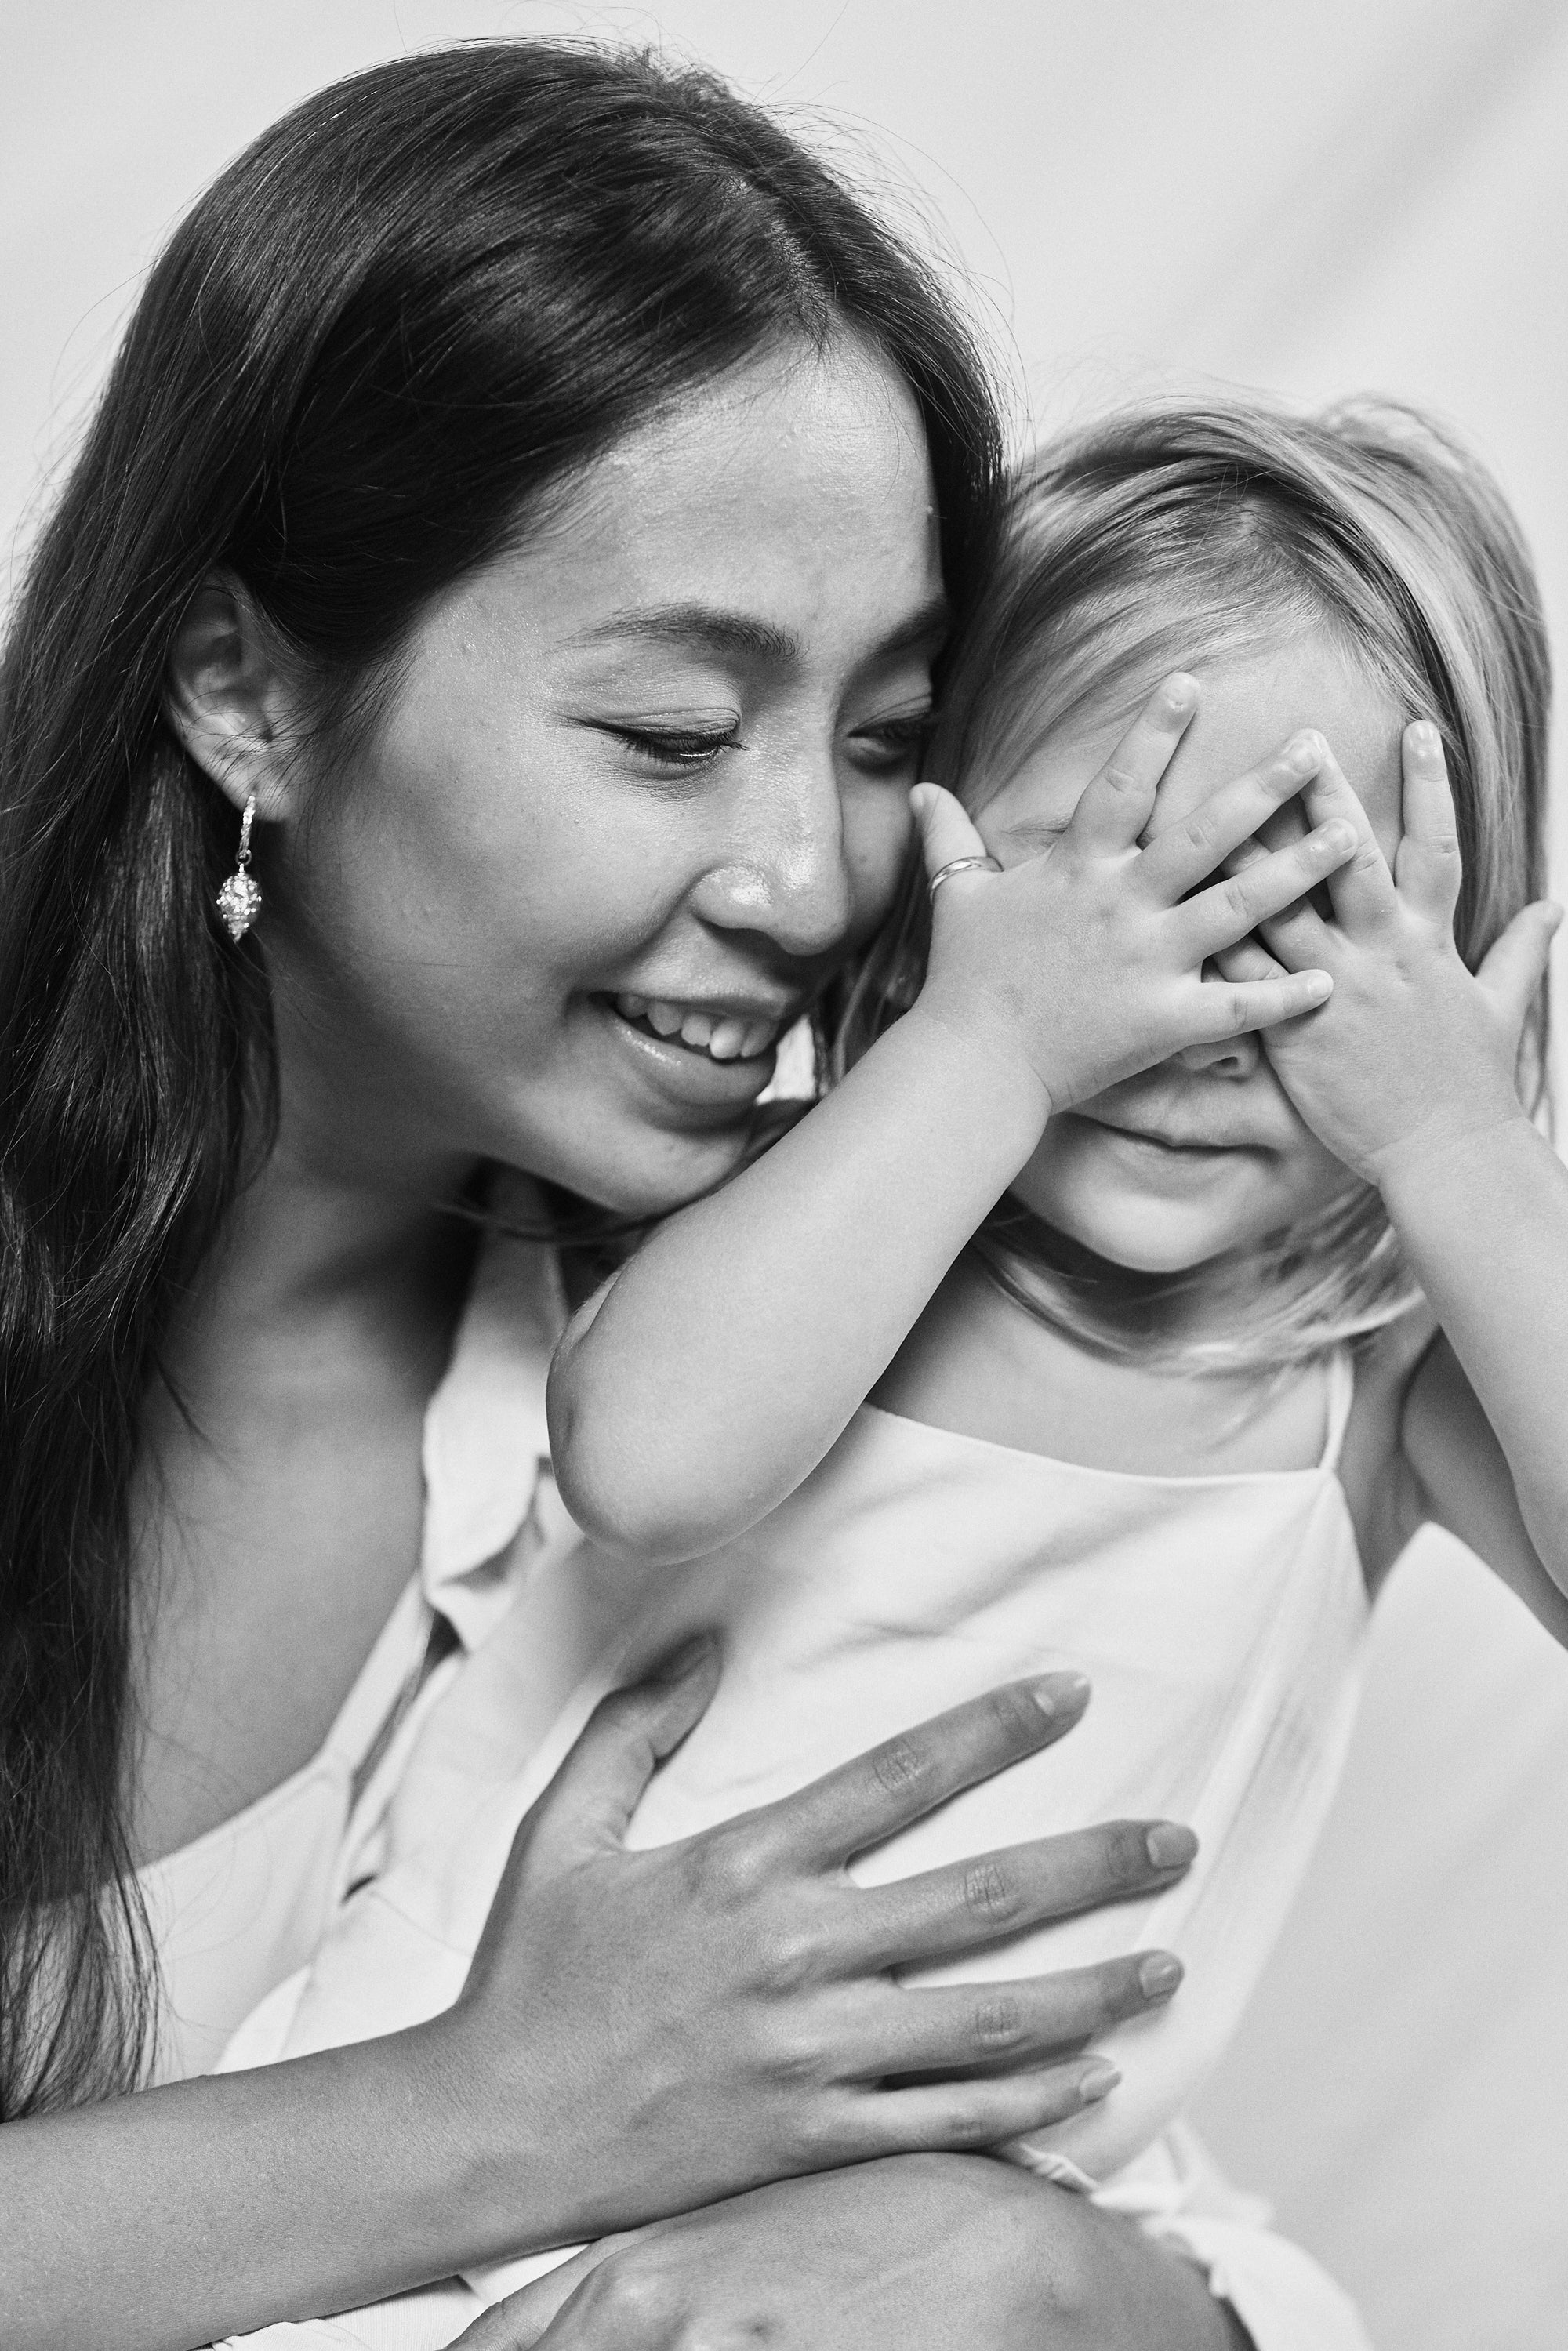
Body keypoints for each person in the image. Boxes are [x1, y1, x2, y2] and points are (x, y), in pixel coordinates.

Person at [0, 41, 1360, 2351]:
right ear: (244, 690)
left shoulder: (768, 1340)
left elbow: (1100, 2187)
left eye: (889, 741)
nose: (814, 876)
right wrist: (498, 2116)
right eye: (669, 731)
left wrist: (1072, 2282)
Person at [241, 396, 1563, 2346]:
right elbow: (654, 1463)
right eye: (1103, 898)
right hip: (456, 2180)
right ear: (932, 872)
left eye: (1310, 929)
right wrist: (988, 1050)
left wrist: (1460, 1153)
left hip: (961, 2261)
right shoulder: (834, 1207)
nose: (1193, 1016)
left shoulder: (1362, 1379)